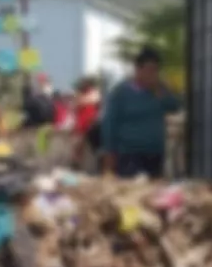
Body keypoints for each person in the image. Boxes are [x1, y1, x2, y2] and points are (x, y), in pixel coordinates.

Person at [100, 47, 181, 179]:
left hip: (155, 153)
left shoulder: (159, 91)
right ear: (138, 70)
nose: (152, 74)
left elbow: (175, 106)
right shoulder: (121, 92)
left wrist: (161, 92)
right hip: (129, 155)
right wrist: (109, 152)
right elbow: (109, 123)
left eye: (155, 70)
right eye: (149, 70)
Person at [71, 78, 103, 170]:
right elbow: (76, 104)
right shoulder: (79, 95)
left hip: (91, 126)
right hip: (80, 126)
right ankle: (75, 165)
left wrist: (83, 100)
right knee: (77, 147)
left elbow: (95, 100)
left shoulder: (94, 94)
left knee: (97, 150)